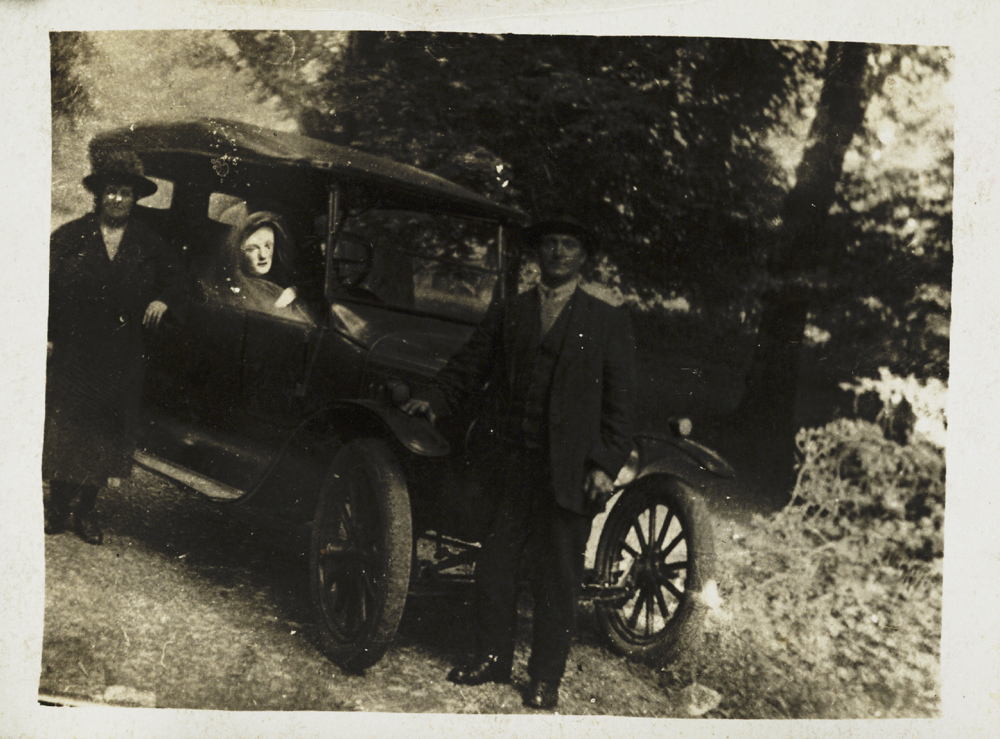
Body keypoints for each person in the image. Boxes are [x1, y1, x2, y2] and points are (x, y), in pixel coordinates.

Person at [402, 215, 636, 709]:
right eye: (548, 244)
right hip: (510, 465)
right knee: (496, 566)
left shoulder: (605, 321)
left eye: (567, 245)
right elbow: (468, 367)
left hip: (569, 474)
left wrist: (603, 465)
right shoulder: (510, 312)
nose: (556, 252)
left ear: (582, 257)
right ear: (537, 255)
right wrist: (435, 401)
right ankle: (492, 658)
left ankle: (545, 678)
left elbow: (622, 407)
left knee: (559, 576)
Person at [44, 149, 188, 544]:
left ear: (135, 198)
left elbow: (182, 282)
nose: (117, 200)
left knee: (105, 434)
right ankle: (57, 507)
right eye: (111, 191)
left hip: (121, 354)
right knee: (66, 427)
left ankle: (86, 511)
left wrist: (164, 300)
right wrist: (48, 335)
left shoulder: (149, 244)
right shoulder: (69, 238)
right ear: (99, 195)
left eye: (125, 193)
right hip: (74, 348)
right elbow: (43, 289)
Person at [211, 210, 314, 322]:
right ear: (238, 252)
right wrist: (278, 306)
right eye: (252, 248)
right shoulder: (235, 291)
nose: (263, 255)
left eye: (268, 246)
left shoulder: (279, 285)